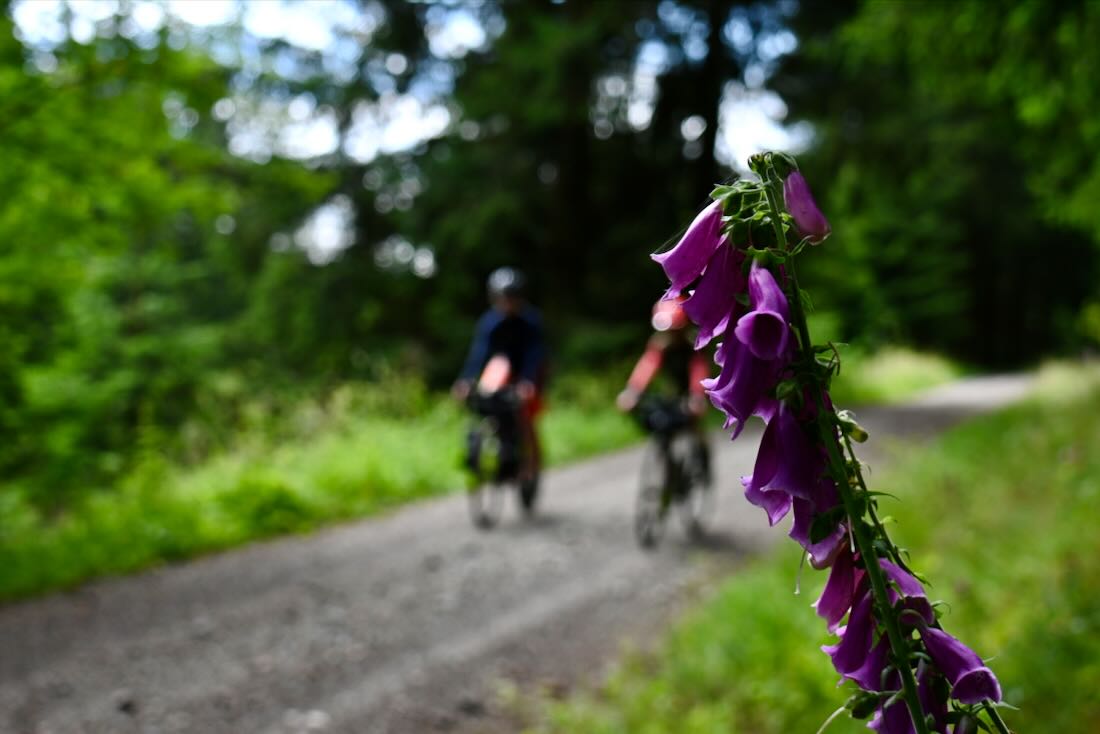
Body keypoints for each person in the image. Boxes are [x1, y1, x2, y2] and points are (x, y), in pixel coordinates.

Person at [453, 267, 547, 492]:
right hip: (500, 375)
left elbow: (534, 355)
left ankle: (532, 465)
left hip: (527, 375)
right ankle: (494, 447)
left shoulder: (530, 322)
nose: (507, 304)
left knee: (527, 418)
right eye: (503, 298)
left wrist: (527, 381)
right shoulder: (489, 323)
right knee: (494, 377)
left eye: (512, 298)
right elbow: (479, 354)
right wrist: (466, 380)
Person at [617, 296, 712, 480]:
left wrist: (697, 396)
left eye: (674, 330)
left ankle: (703, 459)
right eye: (666, 331)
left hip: (692, 391)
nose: (670, 335)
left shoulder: (693, 345)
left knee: (695, 426)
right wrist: (632, 392)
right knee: (663, 425)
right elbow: (647, 366)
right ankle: (670, 469)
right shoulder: (660, 345)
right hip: (674, 390)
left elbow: (698, 370)